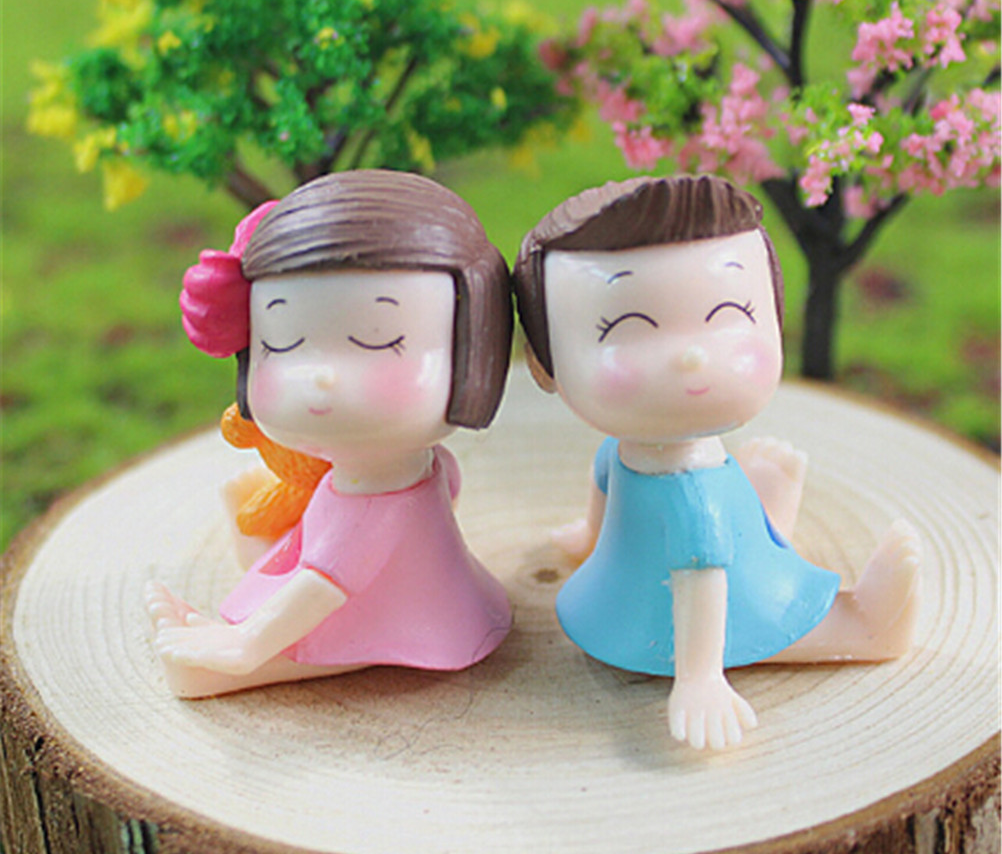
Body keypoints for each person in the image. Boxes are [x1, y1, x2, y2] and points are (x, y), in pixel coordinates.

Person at [513, 174, 921, 751]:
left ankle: (868, 625)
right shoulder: (636, 457)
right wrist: (590, 537)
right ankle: (770, 524)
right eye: (626, 329)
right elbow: (607, 482)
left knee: (768, 614)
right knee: (731, 550)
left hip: (727, 598)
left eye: (729, 313)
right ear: (544, 361)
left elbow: (702, 576)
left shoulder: (692, 490)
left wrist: (700, 677)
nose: (690, 355)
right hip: (641, 597)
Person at [146, 170, 513, 698]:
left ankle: (207, 670)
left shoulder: (374, 502)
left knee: (319, 638)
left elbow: (322, 588)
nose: (321, 376)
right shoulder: (402, 474)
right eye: (282, 342)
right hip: (413, 590)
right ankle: (222, 637)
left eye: (378, 339)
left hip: (399, 613)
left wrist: (245, 646)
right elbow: (448, 486)